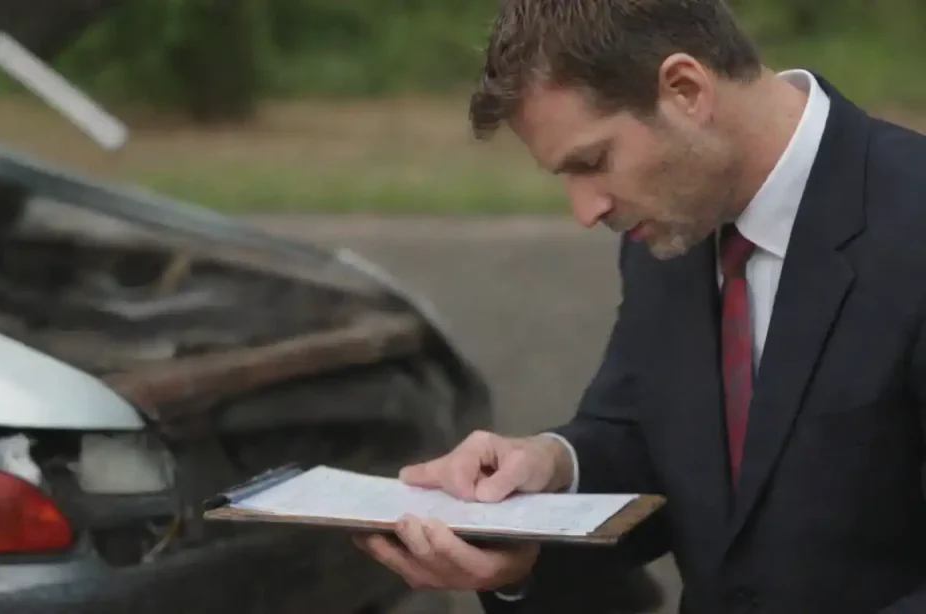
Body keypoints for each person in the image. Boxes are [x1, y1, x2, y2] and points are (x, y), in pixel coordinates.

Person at [351, 0, 926, 612]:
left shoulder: (910, 222)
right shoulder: (671, 231)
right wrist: (545, 474)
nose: (585, 211)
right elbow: (647, 439)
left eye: (593, 162)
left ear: (685, 90)